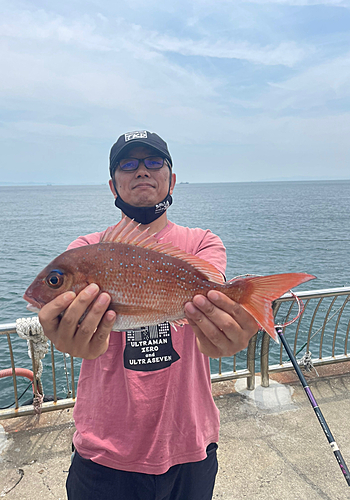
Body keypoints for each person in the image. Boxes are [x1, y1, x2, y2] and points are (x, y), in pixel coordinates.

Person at [38, 130, 258, 500]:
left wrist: (226, 327)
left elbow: (210, 290)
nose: (141, 170)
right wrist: (67, 339)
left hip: (190, 441)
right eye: (128, 164)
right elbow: (63, 320)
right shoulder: (86, 250)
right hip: (104, 451)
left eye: (153, 162)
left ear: (172, 179)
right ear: (113, 185)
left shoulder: (203, 242)